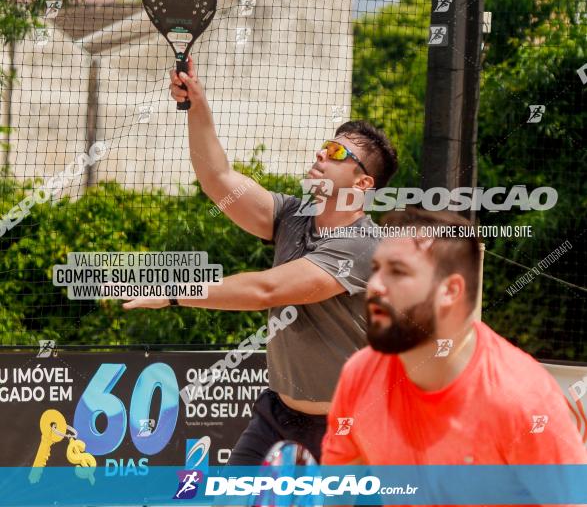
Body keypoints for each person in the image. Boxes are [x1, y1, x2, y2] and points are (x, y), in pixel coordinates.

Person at [122, 55, 398, 465]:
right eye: (324, 146)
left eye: (337, 151)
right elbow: (220, 180)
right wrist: (197, 105)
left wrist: (174, 292)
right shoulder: (292, 215)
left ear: (363, 183)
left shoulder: (364, 245)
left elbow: (266, 289)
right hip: (278, 416)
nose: (322, 154)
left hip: (348, 425)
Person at [321, 207, 586, 504]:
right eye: (376, 268)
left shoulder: (524, 399)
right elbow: (338, 492)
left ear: (450, 290)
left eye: (397, 271)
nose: (374, 286)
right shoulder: (359, 374)